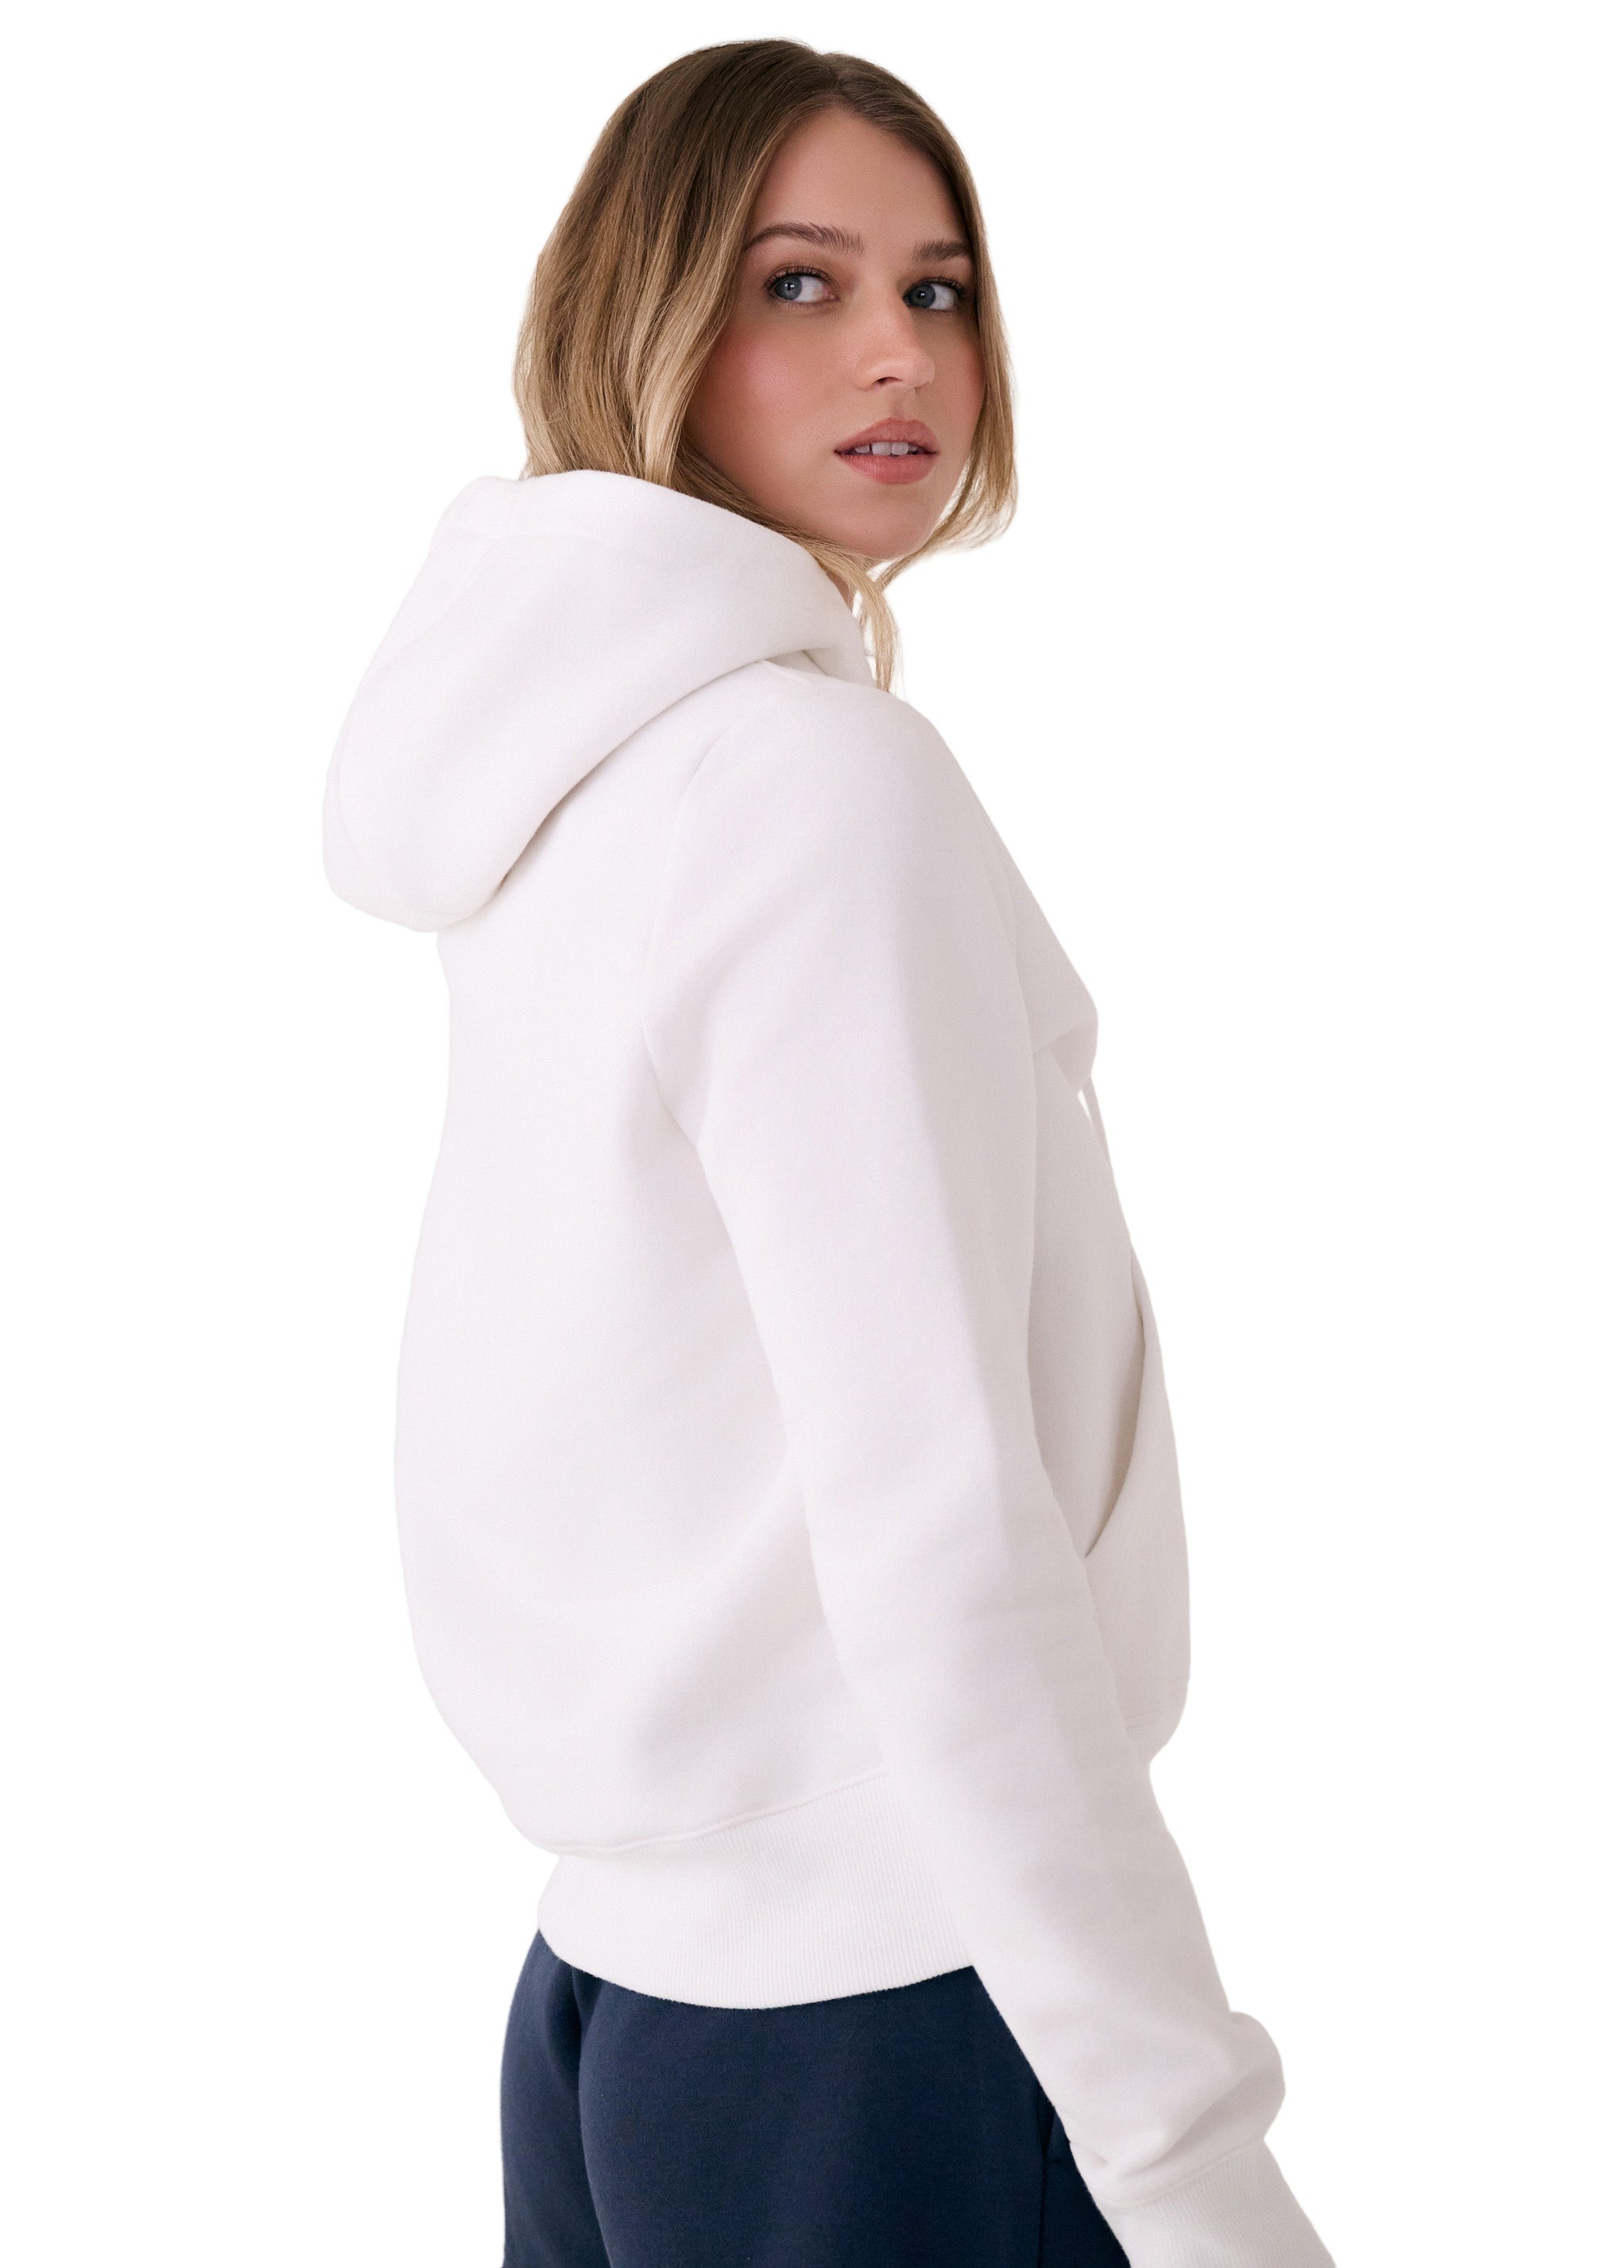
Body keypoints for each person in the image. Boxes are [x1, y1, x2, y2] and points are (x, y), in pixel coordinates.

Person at [323, 39, 1336, 2268]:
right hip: (896, 2028)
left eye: (939, 287)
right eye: (802, 283)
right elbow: (936, 1516)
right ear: (651, 312)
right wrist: (1189, 2159)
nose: (902, 351)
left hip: (616, 2011)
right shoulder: (805, 787)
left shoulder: (574, 775)